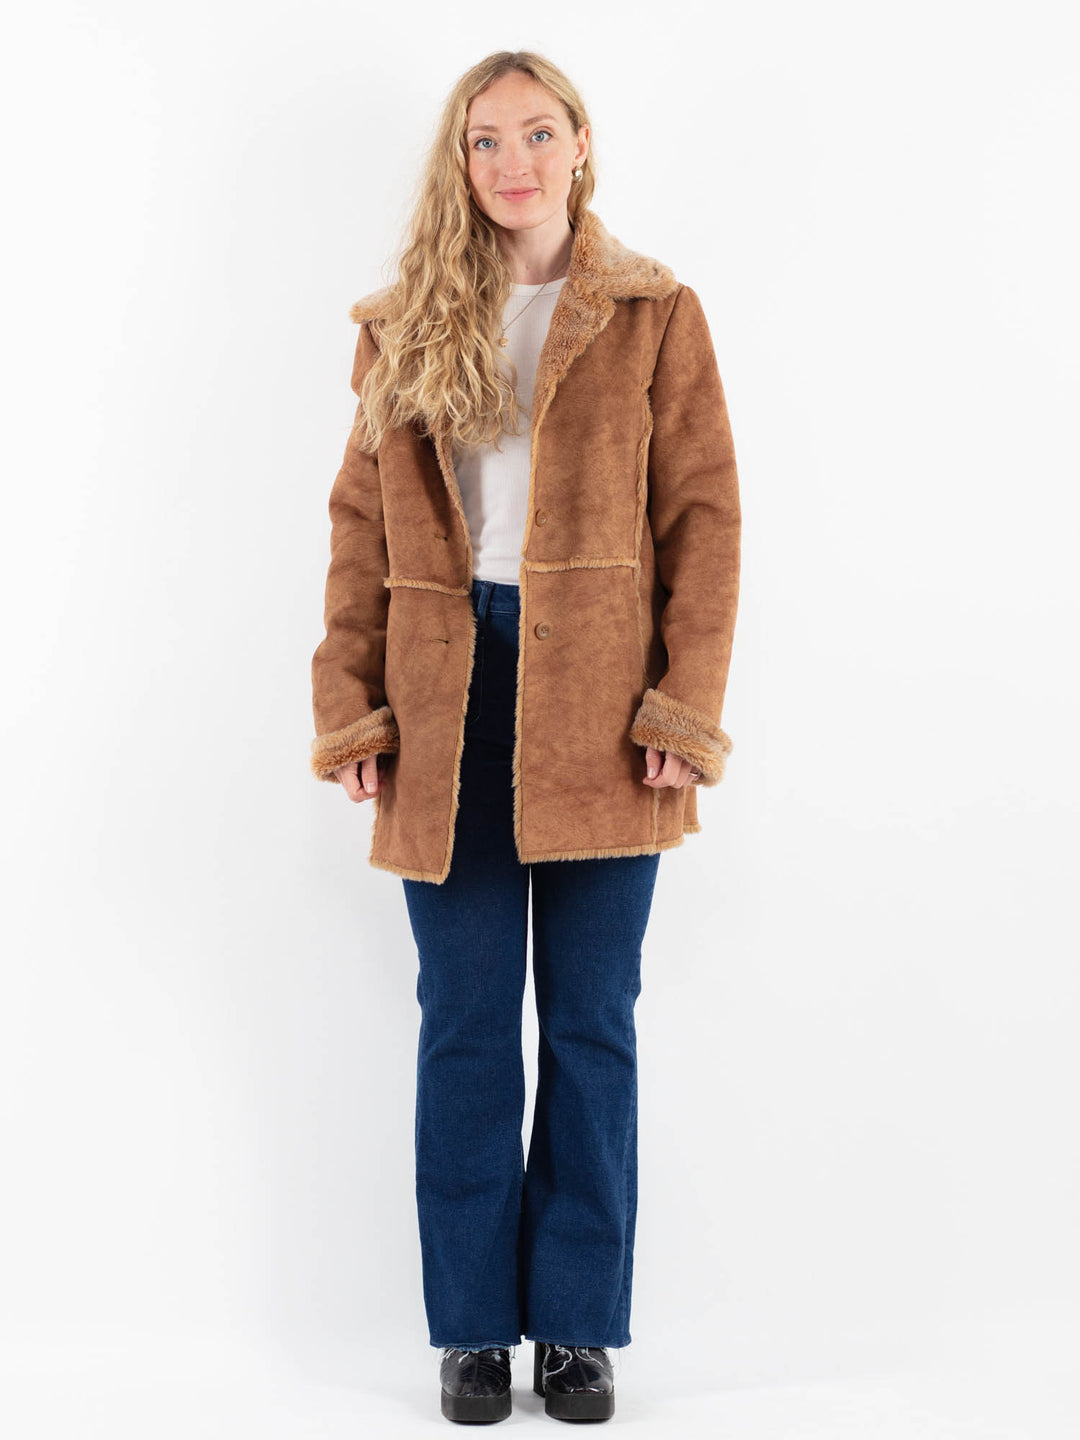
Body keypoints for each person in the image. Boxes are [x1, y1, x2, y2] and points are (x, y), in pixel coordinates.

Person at [309, 50, 741, 1425]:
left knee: (594, 1025)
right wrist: (353, 705)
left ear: (581, 144)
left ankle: (576, 1329)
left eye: (537, 134)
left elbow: (704, 524)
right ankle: (473, 1332)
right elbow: (360, 529)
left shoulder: (653, 313)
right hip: (446, 698)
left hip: (603, 702)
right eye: (487, 140)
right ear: (462, 161)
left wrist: (682, 708)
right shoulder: (403, 324)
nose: (514, 163)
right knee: (466, 1028)